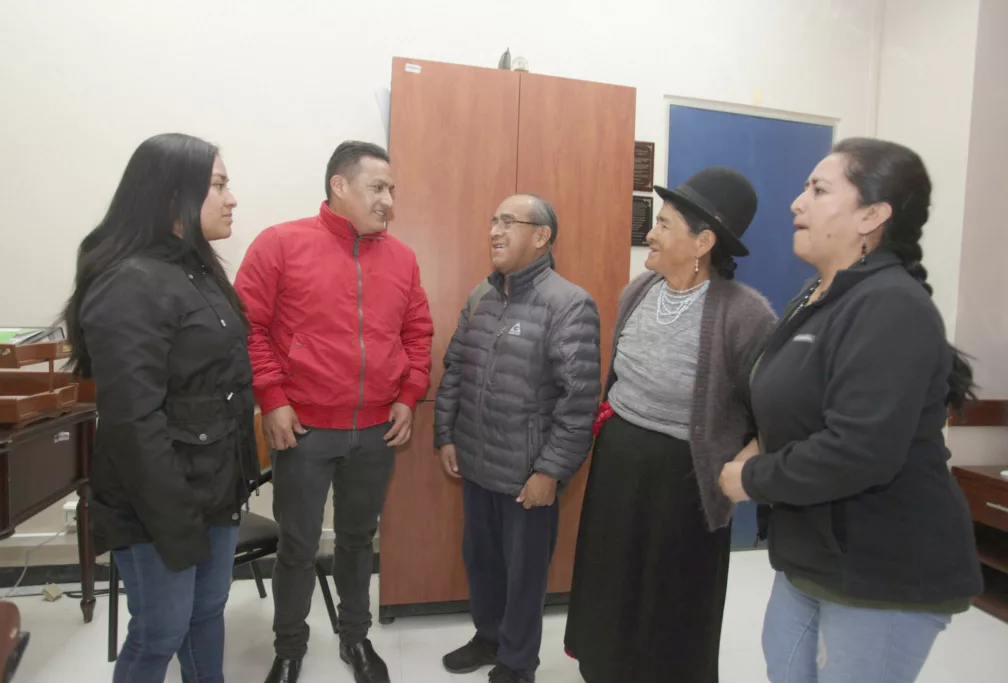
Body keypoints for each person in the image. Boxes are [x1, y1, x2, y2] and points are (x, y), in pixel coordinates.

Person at [719, 138, 984, 683]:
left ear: (872, 215)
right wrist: (756, 441)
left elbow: (860, 452)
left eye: (819, 190)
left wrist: (752, 477)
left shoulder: (890, 305)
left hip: (881, 567)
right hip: (812, 554)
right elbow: (785, 399)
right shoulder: (817, 295)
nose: (797, 202)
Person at [563, 168, 776, 682]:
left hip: (686, 480)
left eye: (662, 225)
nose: (650, 235)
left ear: (702, 242)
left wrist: (743, 468)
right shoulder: (639, 290)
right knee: (611, 577)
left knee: (671, 594)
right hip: (618, 462)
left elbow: (771, 411)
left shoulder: (746, 314)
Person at [234, 141, 434, 683]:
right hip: (304, 428)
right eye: (378, 187)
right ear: (339, 187)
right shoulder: (279, 244)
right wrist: (272, 399)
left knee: (356, 540)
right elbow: (246, 328)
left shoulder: (402, 258)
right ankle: (290, 647)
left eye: (392, 189)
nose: (389, 200)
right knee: (297, 544)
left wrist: (408, 394)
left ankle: (356, 639)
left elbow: (417, 334)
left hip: (375, 431)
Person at [63, 133, 257, 683]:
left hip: (213, 488)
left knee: (206, 614)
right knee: (159, 634)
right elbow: (132, 422)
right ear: (174, 197)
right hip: (156, 502)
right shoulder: (130, 283)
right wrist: (176, 524)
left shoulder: (196, 271)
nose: (231, 197)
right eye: (218, 184)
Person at [434, 195, 601, 683]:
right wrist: (446, 434)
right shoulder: (480, 297)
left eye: (509, 222)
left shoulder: (569, 304)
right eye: (493, 221)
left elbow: (579, 402)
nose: (495, 231)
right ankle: (489, 637)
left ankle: (516, 662)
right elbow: (454, 372)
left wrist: (549, 472)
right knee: (481, 561)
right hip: (477, 462)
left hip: (528, 475)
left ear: (542, 235)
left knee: (524, 575)